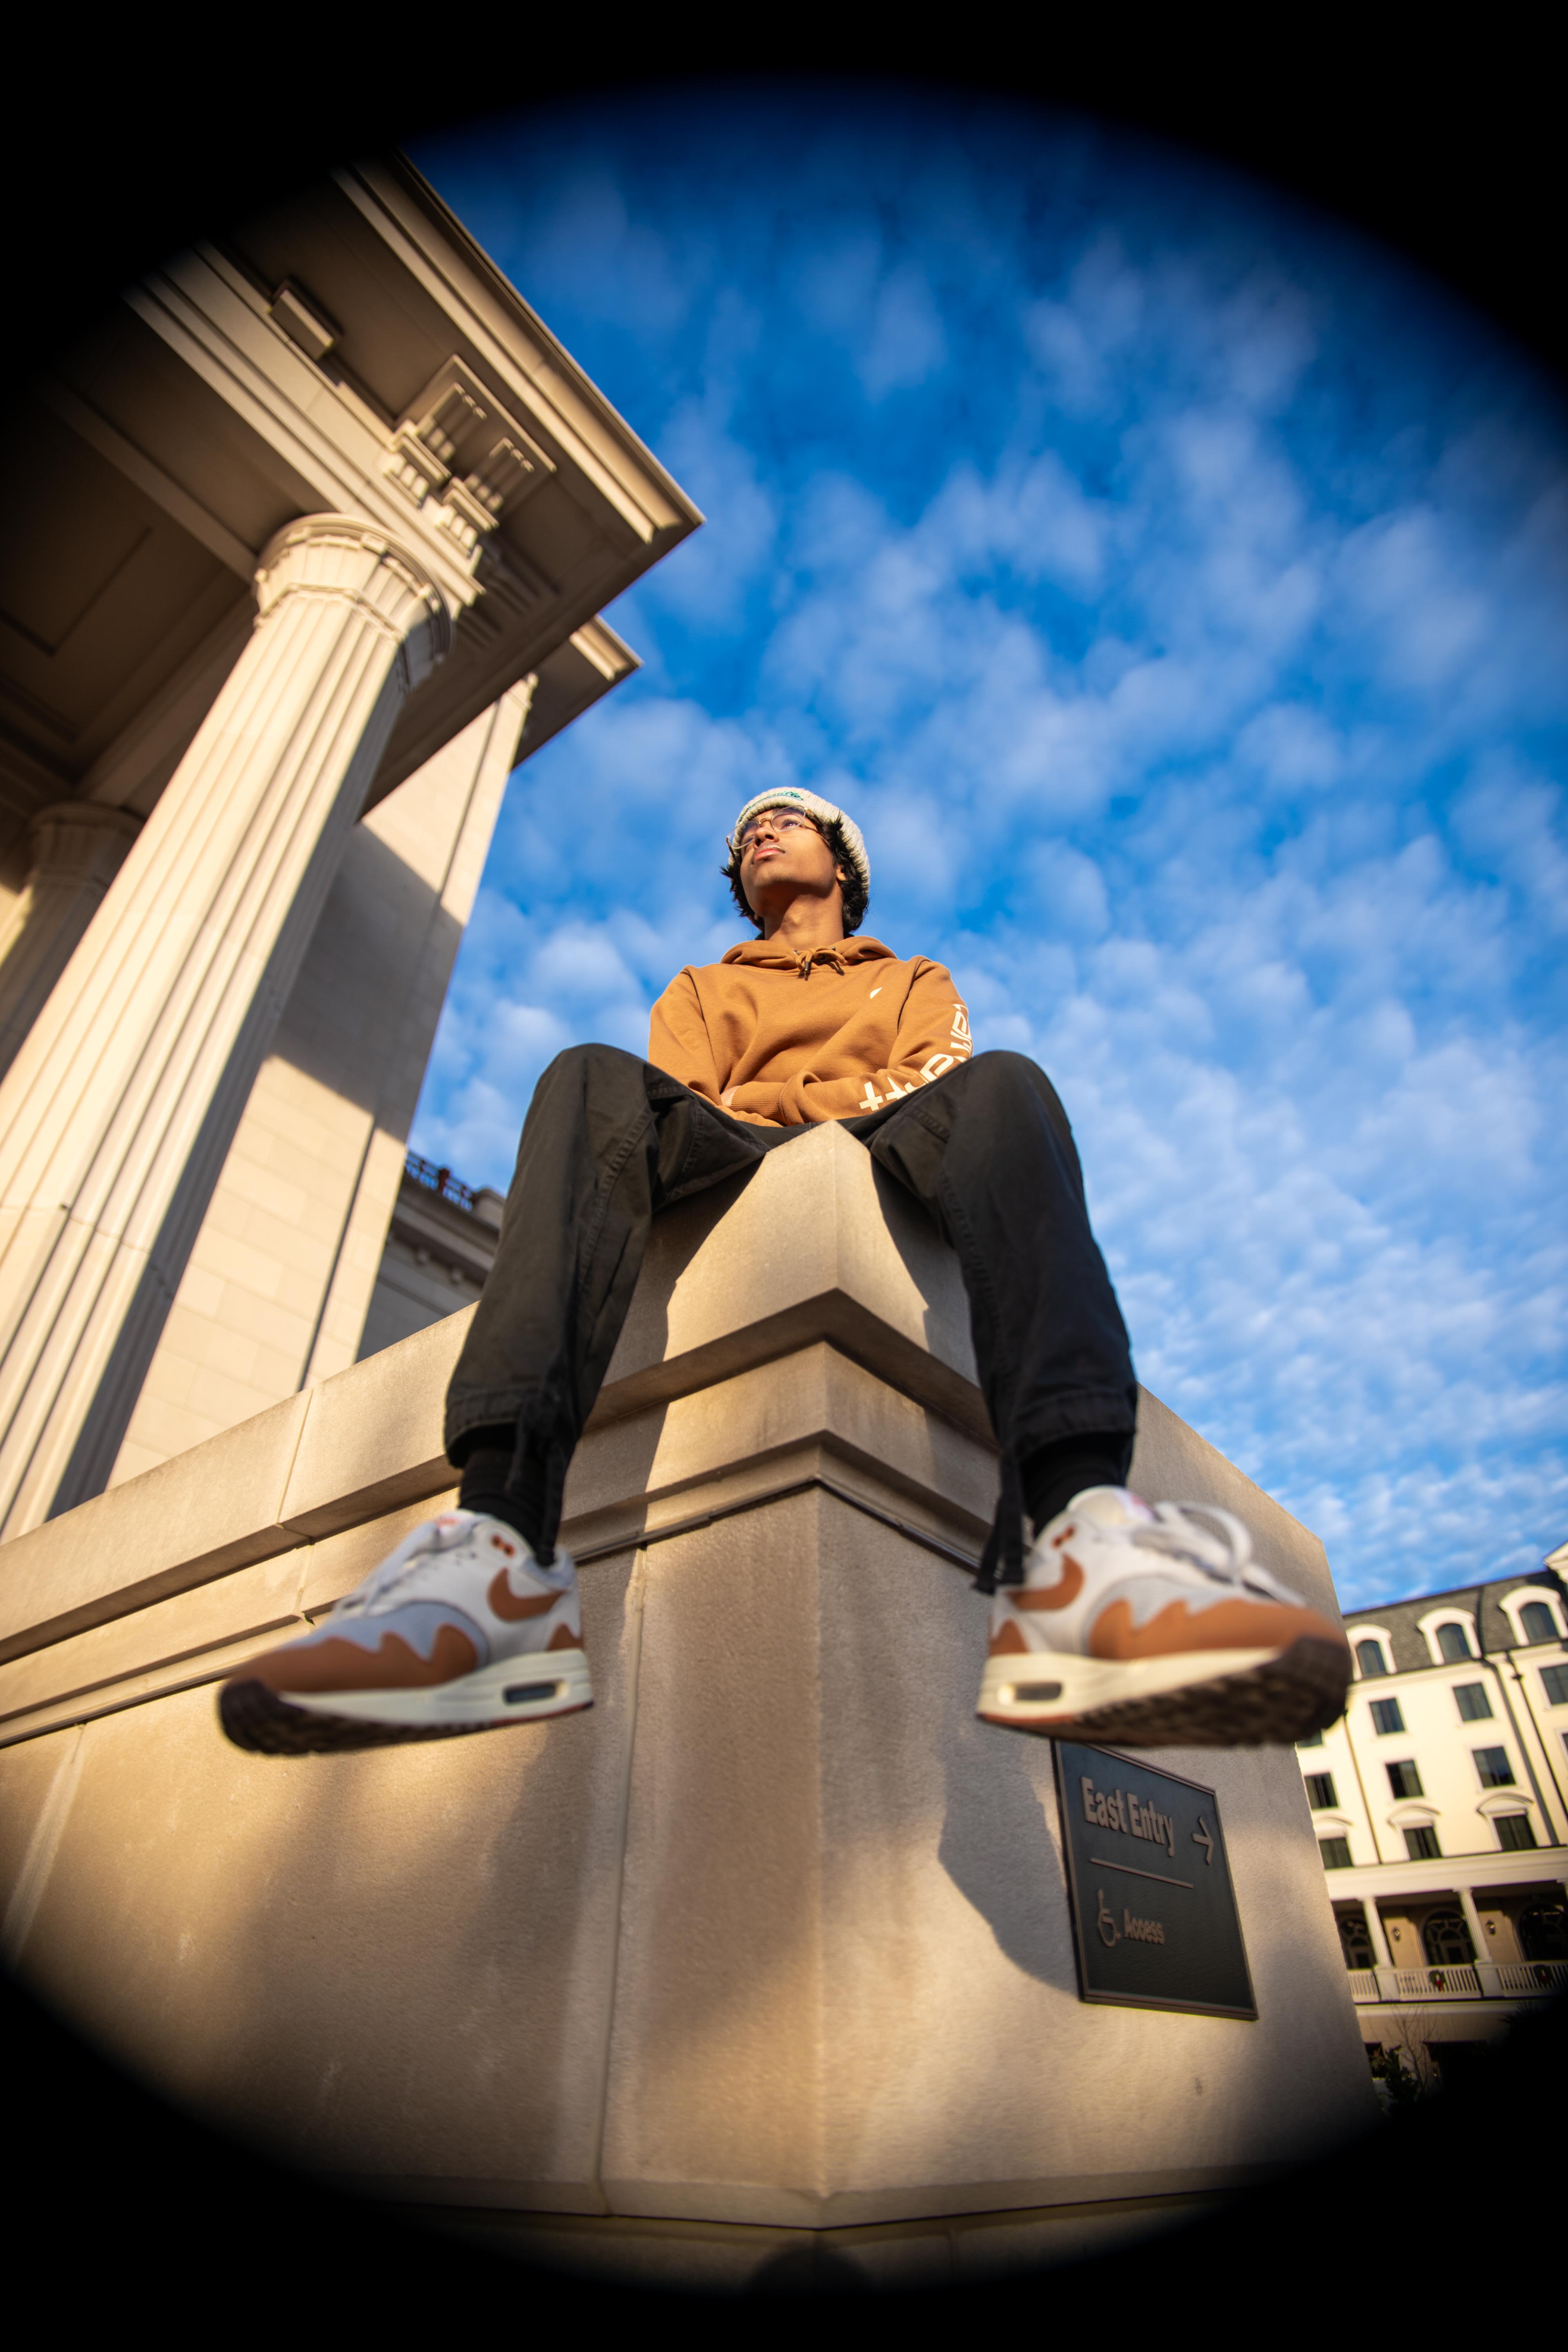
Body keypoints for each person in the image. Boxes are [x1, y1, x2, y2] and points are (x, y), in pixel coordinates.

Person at [221, 790, 1350, 1757]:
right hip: (746, 1152)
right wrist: (808, 1106)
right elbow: (682, 1102)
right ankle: (496, 1553)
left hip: (900, 1138)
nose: (757, 834)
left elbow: (938, 1075)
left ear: (842, 865)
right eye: (745, 833)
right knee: (582, 1077)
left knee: (1008, 1085)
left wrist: (789, 1106)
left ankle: (1086, 1535)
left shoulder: (912, 977)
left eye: (784, 821)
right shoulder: (702, 990)